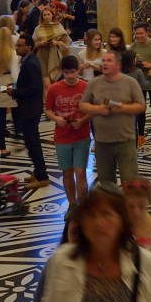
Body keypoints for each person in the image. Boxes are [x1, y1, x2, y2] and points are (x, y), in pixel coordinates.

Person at [79, 51, 146, 187]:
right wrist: (98, 109)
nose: (104, 64)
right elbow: (82, 105)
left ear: (118, 65)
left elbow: (141, 106)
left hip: (125, 141)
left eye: (109, 61)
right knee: (106, 183)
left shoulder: (130, 83)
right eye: (103, 61)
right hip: (102, 142)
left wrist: (122, 108)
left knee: (130, 182)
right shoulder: (94, 83)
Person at [45, 55, 91, 210]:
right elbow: (48, 110)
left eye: (73, 72)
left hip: (82, 137)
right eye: (66, 72)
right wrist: (56, 118)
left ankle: (83, 206)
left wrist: (82, 120)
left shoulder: (86, 87)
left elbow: (93, 110)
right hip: (62, 138)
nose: (70, 76)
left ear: (78, 70)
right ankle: (72, 205)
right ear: (62, 72)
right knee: (67, 172)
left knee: (80, 172)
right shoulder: (54, 88)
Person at [5, 34, 51, 189]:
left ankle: (42, 177)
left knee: (33, 144)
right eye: (17, 45)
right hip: (29, 108)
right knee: (31, 143)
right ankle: (38, 172)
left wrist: (15, 92)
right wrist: (16, 87)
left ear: (28, 47)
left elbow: (35, 88)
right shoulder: (28, 61)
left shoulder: (30, 63)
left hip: (30, 109)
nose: (17, 48)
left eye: (20, 45)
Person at [0, 26, 20, 157]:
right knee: (17, 115)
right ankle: (18, 139)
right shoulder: (12, 53)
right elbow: (15, 75)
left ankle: (2, 149)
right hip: (8, 86)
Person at [32, 5, 71, 92]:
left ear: (52, 15)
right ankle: (47, 100)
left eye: (48, 14)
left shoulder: (58, 26)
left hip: (54, 54)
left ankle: (53, 99)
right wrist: (39, 44)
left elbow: (66, 43)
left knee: (54, 83)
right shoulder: (38, 29)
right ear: (42, 16)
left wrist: (57, 43)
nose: (46, 17)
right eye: (44, 15)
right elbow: (33, 44)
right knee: (46, 83)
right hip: (42, 55)